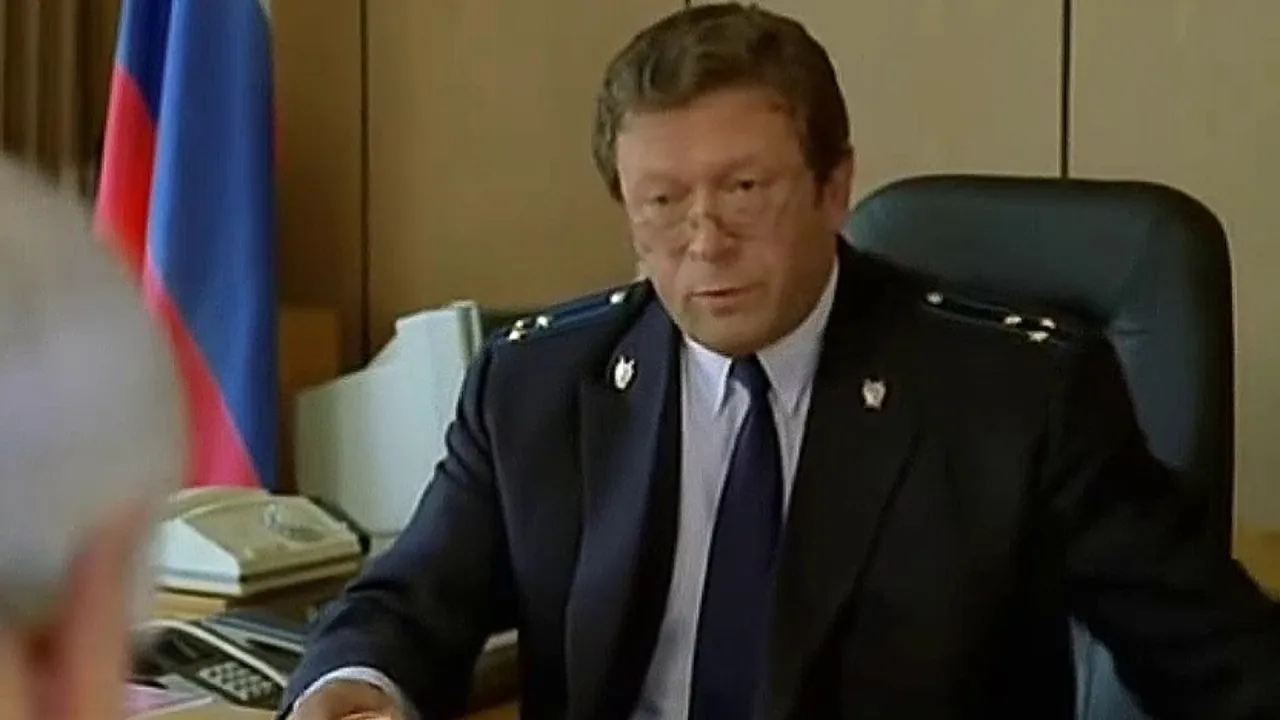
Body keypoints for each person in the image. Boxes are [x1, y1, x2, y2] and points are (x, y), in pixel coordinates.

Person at [285, 4, 1280, 719]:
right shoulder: (535, 386)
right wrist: (358, 684)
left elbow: (1222, 661)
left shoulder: (1015, 397)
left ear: (833, 187)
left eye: (744, 190)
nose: (703, 242)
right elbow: (407, 602)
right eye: (661, 202)